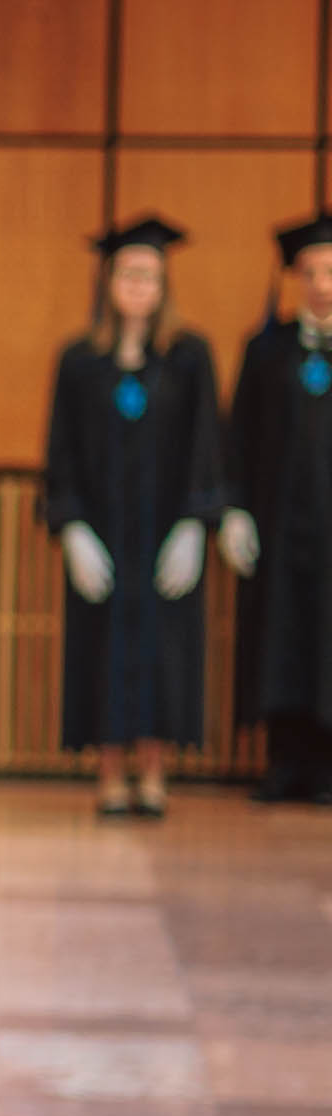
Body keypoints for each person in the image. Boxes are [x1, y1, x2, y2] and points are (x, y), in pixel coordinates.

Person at [42, 217, 223, 816]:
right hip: (104, 535)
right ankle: (109, 775)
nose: (139, 285)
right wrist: (72, 528)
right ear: (108, 281)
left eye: (150, 275)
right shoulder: (79, 360)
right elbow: (61, 451)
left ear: (164, 284)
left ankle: (154, 773)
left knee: (164, 651)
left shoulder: (189, 357)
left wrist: (196, 524)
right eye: (128, 273)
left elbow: (206, 443)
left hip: (165, 535)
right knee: (101, 649)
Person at [222, 212, 332, 802]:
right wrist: (234, 510)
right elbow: (237, 436)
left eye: (331, 271)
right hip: (280, 526)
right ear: (296, 278)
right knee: (281, 637)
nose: (322, 285)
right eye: (310, 272)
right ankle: (284, 761)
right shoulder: (267, 350)